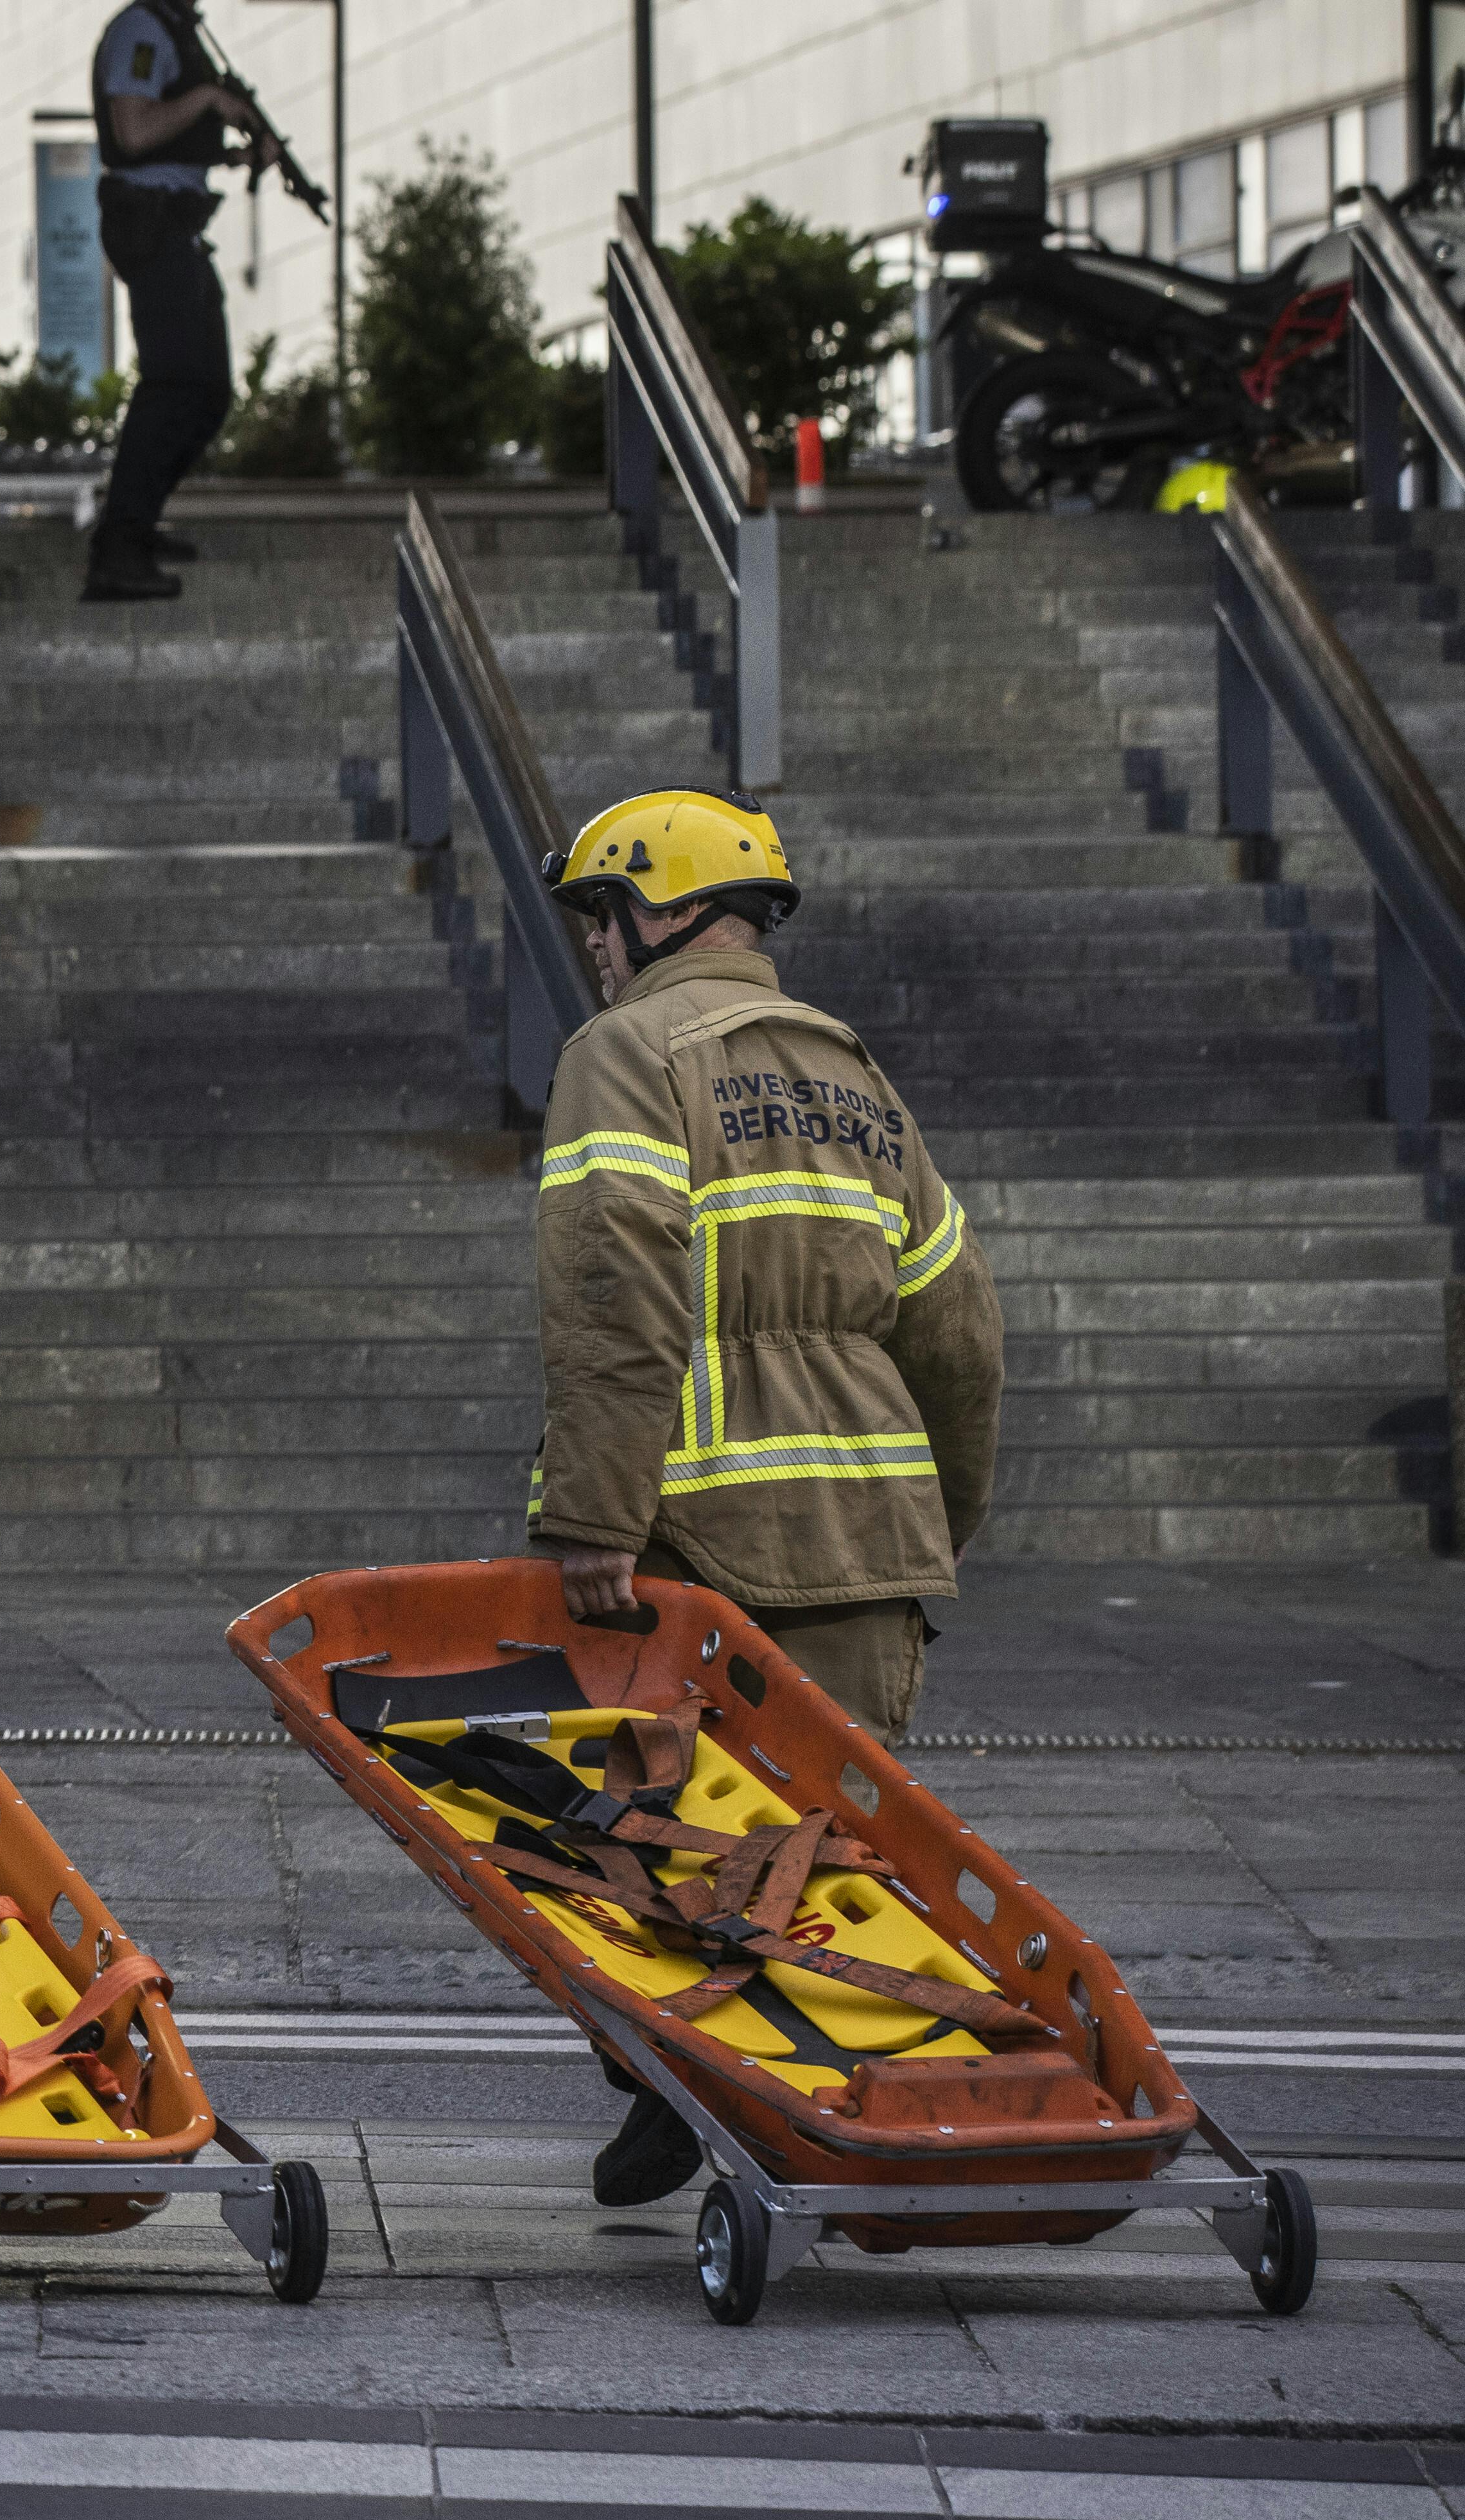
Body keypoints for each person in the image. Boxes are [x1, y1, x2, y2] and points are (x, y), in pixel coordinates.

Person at [525, 786, 1005, 2207]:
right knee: (826, 1864)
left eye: (597, 917)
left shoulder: (623, 1056)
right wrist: (934, 1520)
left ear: (657, 909)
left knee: (626, 1850)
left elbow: (615, 1292)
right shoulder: (852, 1076)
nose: (592, 950)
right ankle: (825, 2116)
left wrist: (597, 1518)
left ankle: (681, 2087)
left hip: (688, 1547)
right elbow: (957, 1331)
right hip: (868, 1544)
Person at [87, 0, 258, 602]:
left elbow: (173, 145)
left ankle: (136, 521)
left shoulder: (179, 32)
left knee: (208, 392)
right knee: (177, 384)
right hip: (150, 225)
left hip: (174, 226)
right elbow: (134, 130)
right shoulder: (141, 30)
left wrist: (235, 152)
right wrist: (210, 100)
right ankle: (118, 547)